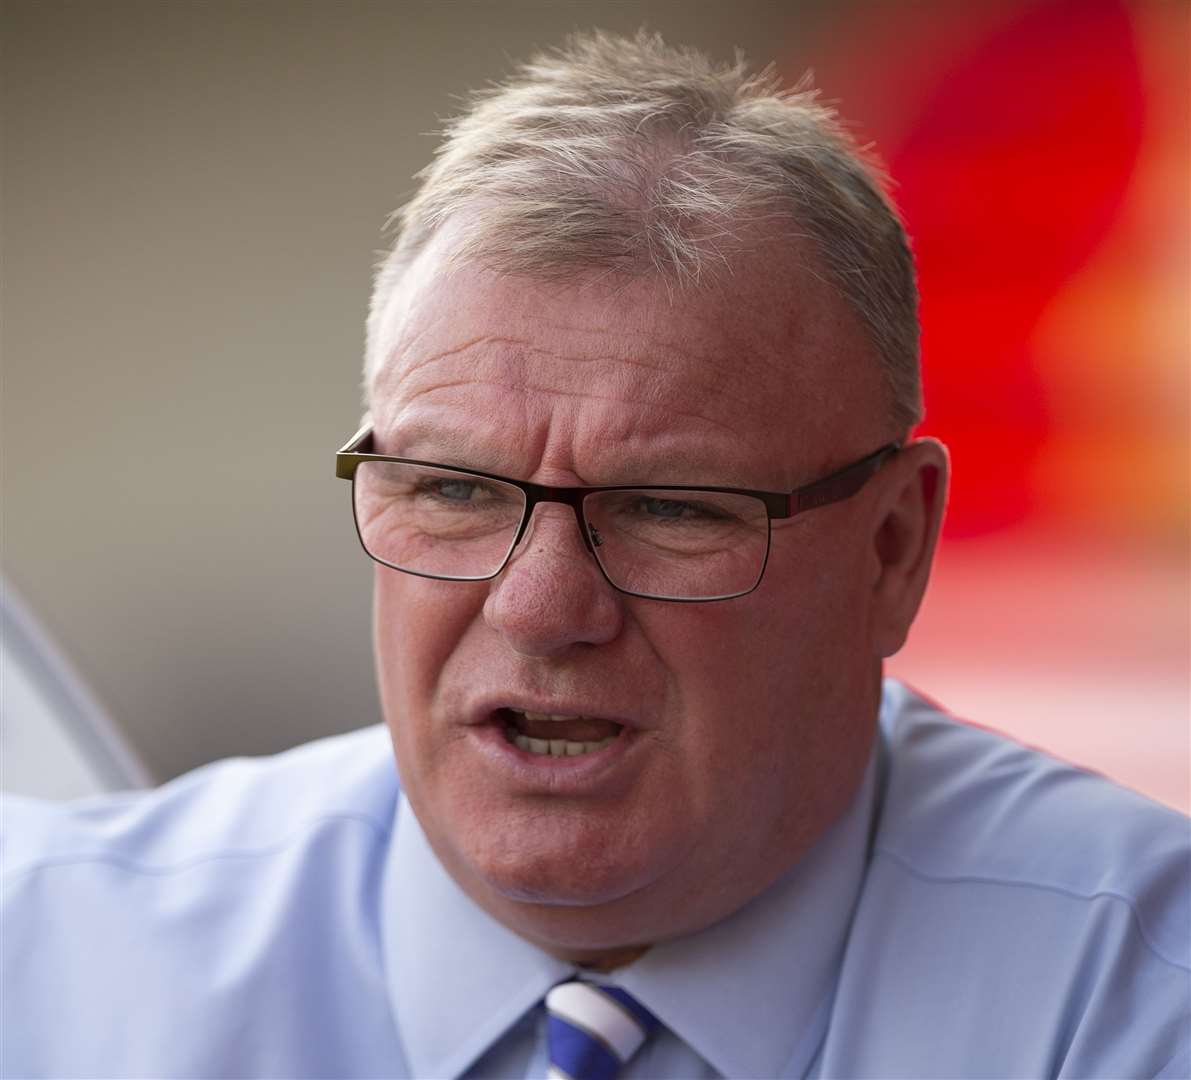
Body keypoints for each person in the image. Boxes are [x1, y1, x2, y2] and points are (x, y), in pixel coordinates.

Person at [3, 30, 1187, 1080]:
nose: (540, 606)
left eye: (669, 507)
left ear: (893, 548)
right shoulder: (50, 960)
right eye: (455, 490)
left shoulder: (1138, 993)